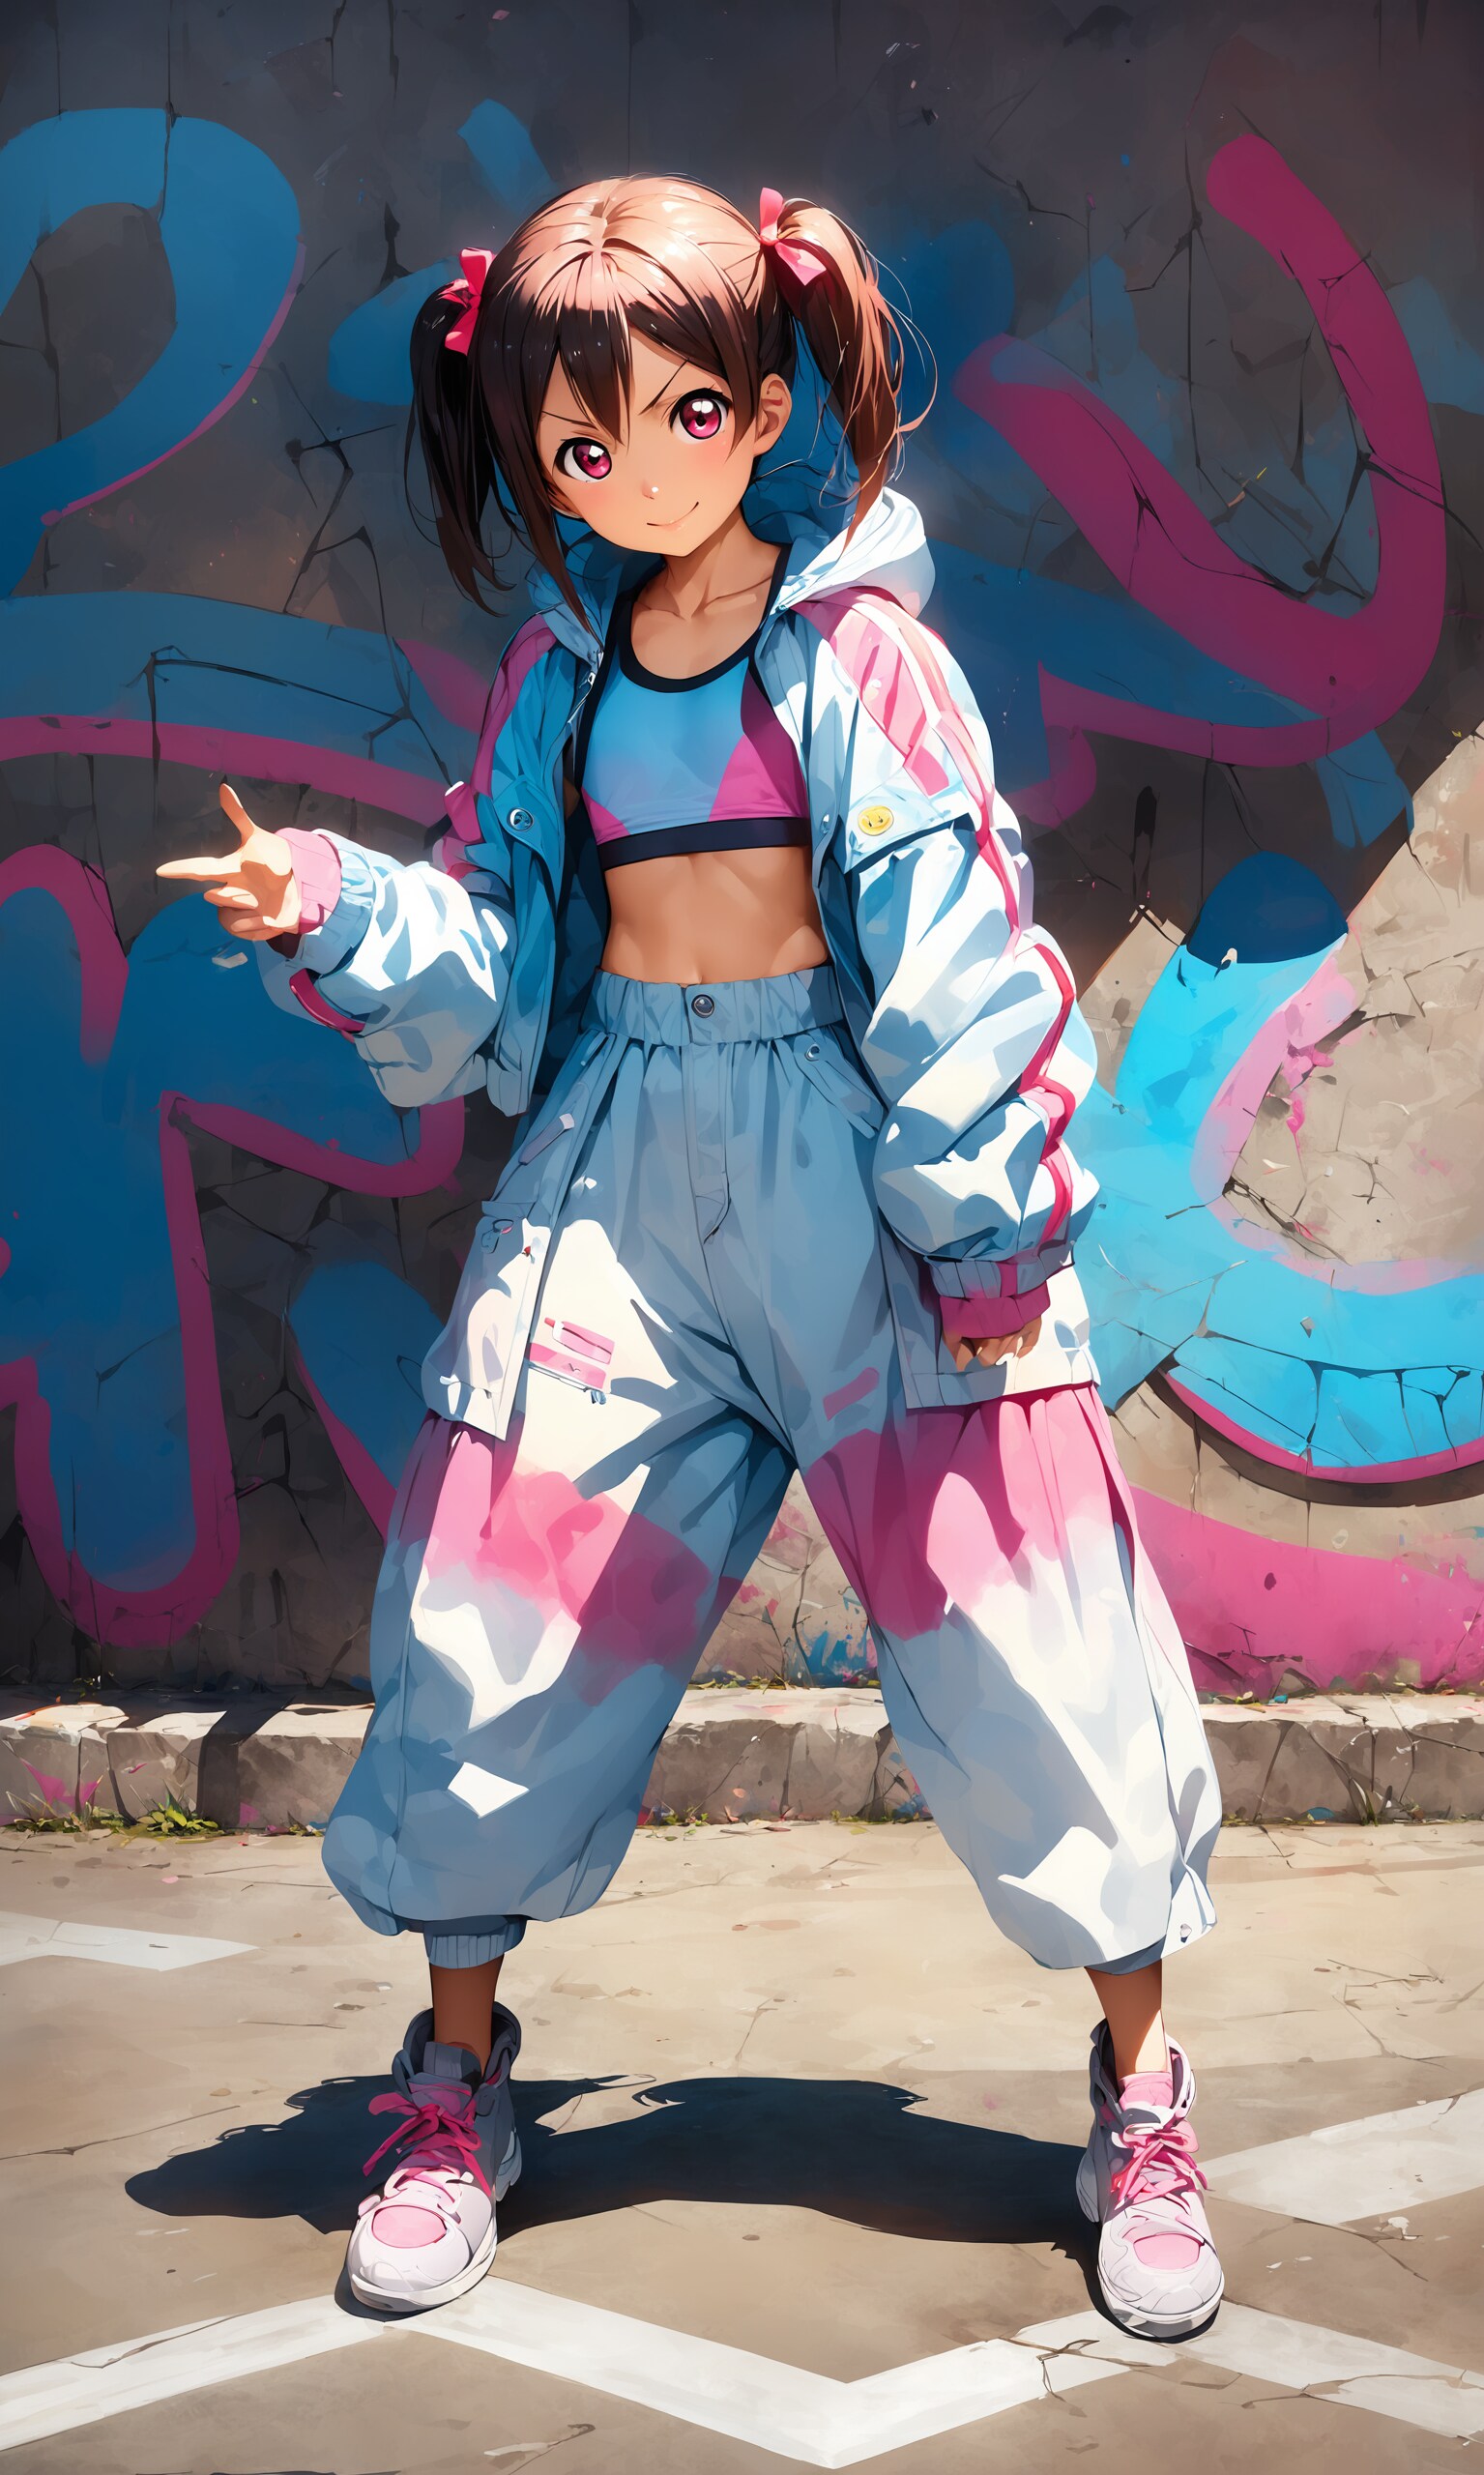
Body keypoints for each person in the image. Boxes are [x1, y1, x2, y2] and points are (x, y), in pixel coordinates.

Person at [158, 178, 1224, 2342]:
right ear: (537, 455)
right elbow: (492, 954)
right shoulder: (558, 686)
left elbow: (956, 949)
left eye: (685, 412)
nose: (637, 468)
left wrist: (983, 1229)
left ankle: (1141, 2098)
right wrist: (335, 910)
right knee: (492, 1603)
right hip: (620, 1168)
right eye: (582, 439)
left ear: (764, 402)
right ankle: (455, 2082)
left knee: (1029, 1625)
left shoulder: (864, 661)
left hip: (854, 1166)